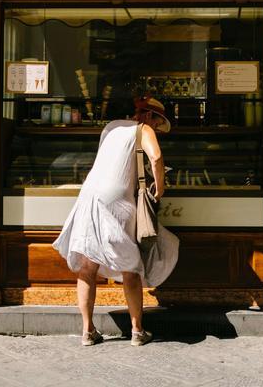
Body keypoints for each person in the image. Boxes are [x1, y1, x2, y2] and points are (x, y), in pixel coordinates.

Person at [52, 96, 179, 346]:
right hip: (117, 199)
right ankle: (137, 330)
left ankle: (88, 331)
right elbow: (156, 157)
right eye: (156, 120)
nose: (155, 126)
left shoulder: (111, 127)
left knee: (87, 266)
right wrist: (160, 189)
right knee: (130, 267)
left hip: (89, 195)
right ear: (148, 116)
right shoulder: (144, 130)